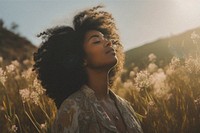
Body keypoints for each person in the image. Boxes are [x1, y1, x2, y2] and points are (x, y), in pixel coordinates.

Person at [33, 5, 143, 133]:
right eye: (96, 41)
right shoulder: (72, 108)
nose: (108, 43)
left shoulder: (126, 106)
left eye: (106, 38)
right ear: (82, 59)